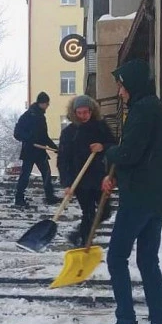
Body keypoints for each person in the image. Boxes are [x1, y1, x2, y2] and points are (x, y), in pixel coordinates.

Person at [92, 59, 162, 324]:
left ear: (132, 84)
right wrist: (116, 175)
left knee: (116, 257)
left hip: (140, 198)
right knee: (148, 260)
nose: (119, 90)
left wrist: (109, 151)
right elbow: (140, 155)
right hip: (154, 197)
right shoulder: (152, 108)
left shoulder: (143, 110)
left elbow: (129, 154)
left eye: (121, 84)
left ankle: (126, 321)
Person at [57, 95, 115, 247]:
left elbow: (114, 145)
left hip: (99, 177)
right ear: (74, 112)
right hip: (80, 180)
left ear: (91, 110)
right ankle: (83, 242)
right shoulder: (69, 133)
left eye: (86, 112)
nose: (83, 116)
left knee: (105, 212)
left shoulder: (100, 127)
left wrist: (103, 147)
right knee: (88, 212)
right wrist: (67, 183)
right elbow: (63, 159)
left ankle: (77, 234)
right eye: (80, 113)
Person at [13, 91, 60, 207]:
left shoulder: (41, 117)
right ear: (42, 103)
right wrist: (28, 139)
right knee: (25, 175)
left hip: (40, 151)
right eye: (47, 104)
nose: (47, 106)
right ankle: (19, 199)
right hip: (29, 150)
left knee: (47, 173)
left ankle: (50, 197)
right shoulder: (28, 115)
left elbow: (44, 136)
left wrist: (55, 147)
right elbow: (17, 133)